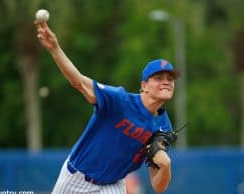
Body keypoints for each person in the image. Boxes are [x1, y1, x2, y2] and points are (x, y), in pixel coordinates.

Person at [35, 20, 180, 194]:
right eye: (159, 78)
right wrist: (54, 49)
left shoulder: (163, 126)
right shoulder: (119, 101)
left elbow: (158, 186)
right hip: (76, 179)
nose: (166, 82)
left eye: (170, 79)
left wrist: (165, 166)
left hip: (112, 186)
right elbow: (80, 82)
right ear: (144, 86)